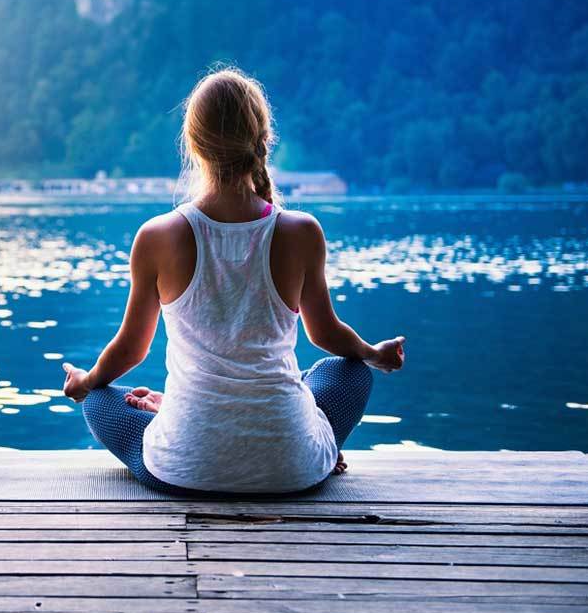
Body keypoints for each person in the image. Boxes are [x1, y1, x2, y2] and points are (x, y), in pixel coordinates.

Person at [61, 68, 405, 494]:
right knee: (350, 371)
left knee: (99, 398)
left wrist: (86, 380)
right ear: (263, 139)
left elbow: (132, 350)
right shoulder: (302, 232)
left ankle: (177, 418)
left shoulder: (157, 236)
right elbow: (327, 334)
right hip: (292, 471)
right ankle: (316, 449)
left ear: (193, 144)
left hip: (186, 468)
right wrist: (373, 353)